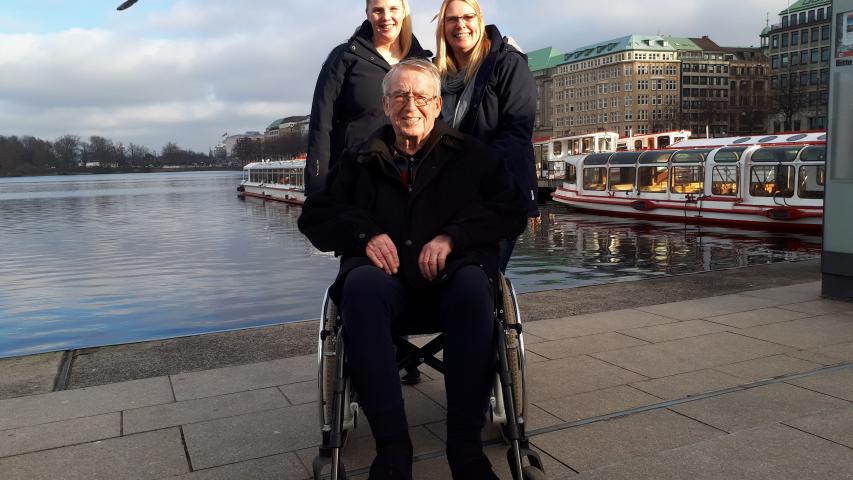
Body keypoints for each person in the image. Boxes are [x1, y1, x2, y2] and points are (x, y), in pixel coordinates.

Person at [298, 59, 526, 480]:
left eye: (421, 96)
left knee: (474, 287)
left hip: (452, 278)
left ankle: (466, 451)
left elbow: (511, 211)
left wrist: (454, 236)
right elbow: (315, 217)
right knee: (359, 288)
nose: (411, 105)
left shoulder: (471, 156)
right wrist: (364, 234)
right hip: (385, 285)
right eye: (400, 96)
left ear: (437, 104)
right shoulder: (359, 160)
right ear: (386, 105)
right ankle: (392, 450)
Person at [434, 0, 539, 270]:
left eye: (468, 17)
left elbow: (516, 133)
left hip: (498, 195)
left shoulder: (507, 63)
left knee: (481, 273)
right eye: (452, 19)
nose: (460, 25)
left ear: (479, 21)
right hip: (449, 197)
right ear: (442, 27)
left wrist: (467, 171)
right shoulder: (436, 74)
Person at [305, 0, 431, 197]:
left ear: (404, 12)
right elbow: (320, 125)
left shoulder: (422, 64)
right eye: (378, 10)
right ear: (367, 13)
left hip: (408, 184)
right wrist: (317, 190)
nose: (386, 17)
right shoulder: (344, 58)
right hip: (354, 182)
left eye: (393, 9)